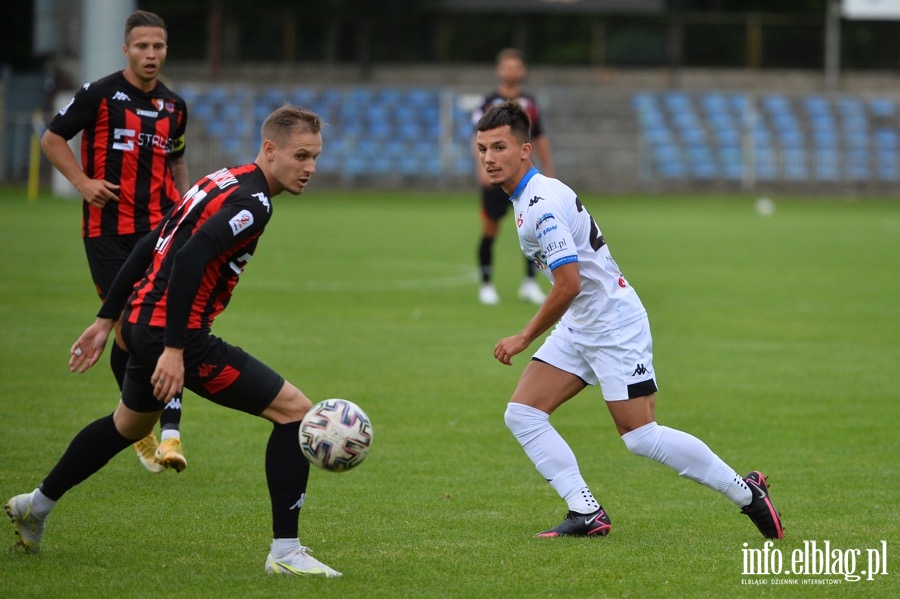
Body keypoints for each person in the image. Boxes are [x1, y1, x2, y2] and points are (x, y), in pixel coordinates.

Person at [6, 105, 342, 577]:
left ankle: (34, 506)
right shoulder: (254, 202)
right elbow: (187, 259)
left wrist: (107, 320)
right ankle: (285, 553)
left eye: (315, 157)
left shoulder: (219, 179)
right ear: (270, 150)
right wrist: (175, 349)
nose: (310, 168)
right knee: (294, 414)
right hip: (171, 333)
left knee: (126, 425)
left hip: (141, 324)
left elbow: (153, 241)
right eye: (301, 156)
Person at [476, 101, 783, 540]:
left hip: (614, 324)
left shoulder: (541, 204)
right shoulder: (527, 196)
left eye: (499, 147)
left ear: (525, 150)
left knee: (640, 436)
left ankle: (746, 493)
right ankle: (585, 512)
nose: (489, 157)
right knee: (523, 414)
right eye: (483, 148)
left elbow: (568, 284)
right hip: (582, 324)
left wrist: (525, 336)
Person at [41, 10, 190, 473]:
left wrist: (187, 205)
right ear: (126, 49)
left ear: (166, 50)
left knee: (156, 326)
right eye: (142, 46)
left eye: (158, 47)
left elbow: (178, 162)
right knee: (130, 331)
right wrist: (84, 183)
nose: (151, 55)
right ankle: (143, 429)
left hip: (160, 230)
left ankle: (165, 434)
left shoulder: (174, 106)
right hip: (108, 233)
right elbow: (51, 139)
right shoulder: (100, 94)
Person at [471, 48, 556, 306]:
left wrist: (549, 170)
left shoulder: (529, 104)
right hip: (496, 178)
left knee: (534, 229)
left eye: (515, 67)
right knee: (490, 229)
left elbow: (539, 137)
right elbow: (476, 138)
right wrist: (481, 168)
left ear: (522, 71)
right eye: (506, 67)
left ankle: (530, 283)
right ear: (499, 70)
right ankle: (486, 285)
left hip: (525, 178)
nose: (511, 71)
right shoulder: (487, 103)